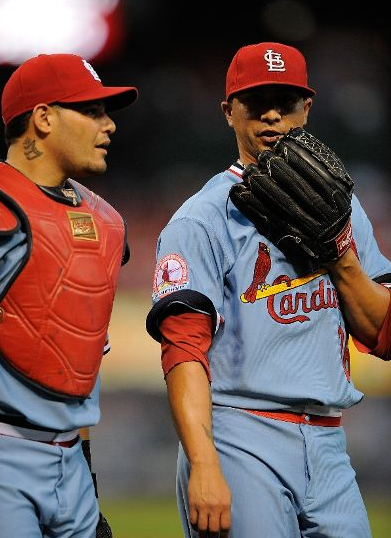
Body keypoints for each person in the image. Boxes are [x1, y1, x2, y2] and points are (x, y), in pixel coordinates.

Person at [146, 42, 391, 537]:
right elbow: (183, 351)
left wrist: (340, 254)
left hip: (327, 444)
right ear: (228, 112)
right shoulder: (201, 219)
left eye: (287, 100)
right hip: (240, 437)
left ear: (308, 108)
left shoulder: (345, 209)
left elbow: (382, 335)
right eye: (257, 102)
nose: (273, 115)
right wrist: (205, 463)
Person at [0, 53, 138, 537]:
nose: (108, 126)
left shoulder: (105, 222)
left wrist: (85, 473)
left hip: (71, 468)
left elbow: (77, 361)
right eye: (92, 111)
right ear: (42, 118)